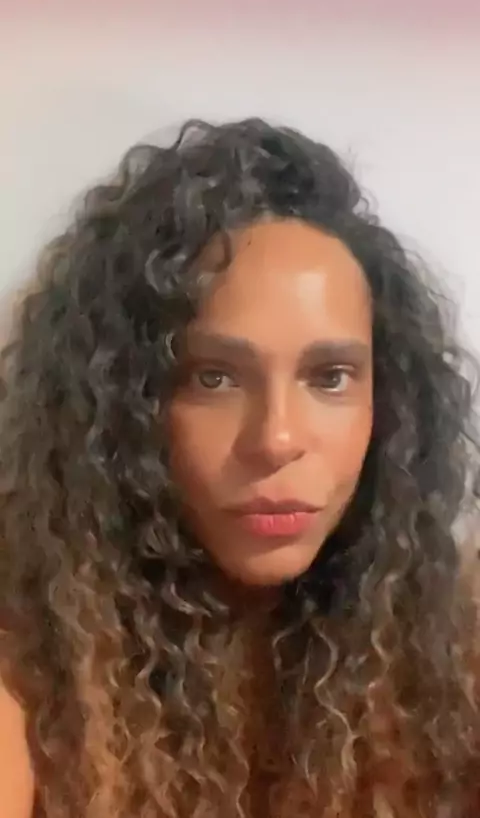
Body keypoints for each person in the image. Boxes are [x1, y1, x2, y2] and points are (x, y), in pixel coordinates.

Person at [0, 118, 479, 818]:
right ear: (122, 406)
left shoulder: (448, 646)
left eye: (330, 376)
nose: (277, 439)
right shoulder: (29, 655)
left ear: (391, 403)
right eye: (213, 378)